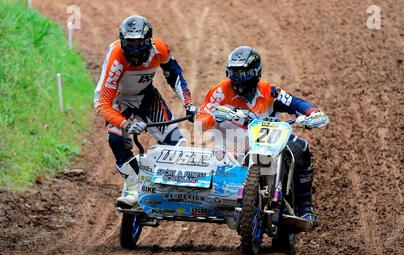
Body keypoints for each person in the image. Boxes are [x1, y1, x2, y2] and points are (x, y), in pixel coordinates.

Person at [195, 46, 329, 225]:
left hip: (269, 141)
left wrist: (313, 114)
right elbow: (199, 121)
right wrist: (214, 117)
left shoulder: (269, 91)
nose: (239, 79)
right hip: (233, 143)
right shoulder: (219, 92)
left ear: (256, 71)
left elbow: (295, 102)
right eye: (234, 73)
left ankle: (305, 208)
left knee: (301, 148)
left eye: (244, 73)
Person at [94, 15, 196, 208]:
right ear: (122, 41)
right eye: (129, 44)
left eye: (139, 44)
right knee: (116, 140)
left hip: (146, 96)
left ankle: (167, 181)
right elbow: (102, 103)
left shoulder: (160, 48)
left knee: (177, 143)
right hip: (118, 100)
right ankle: (133, 187)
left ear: (149, 41)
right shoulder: (117, 57)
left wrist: (188, 103)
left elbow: (175, 75)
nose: (134, 50)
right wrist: (126, 124)